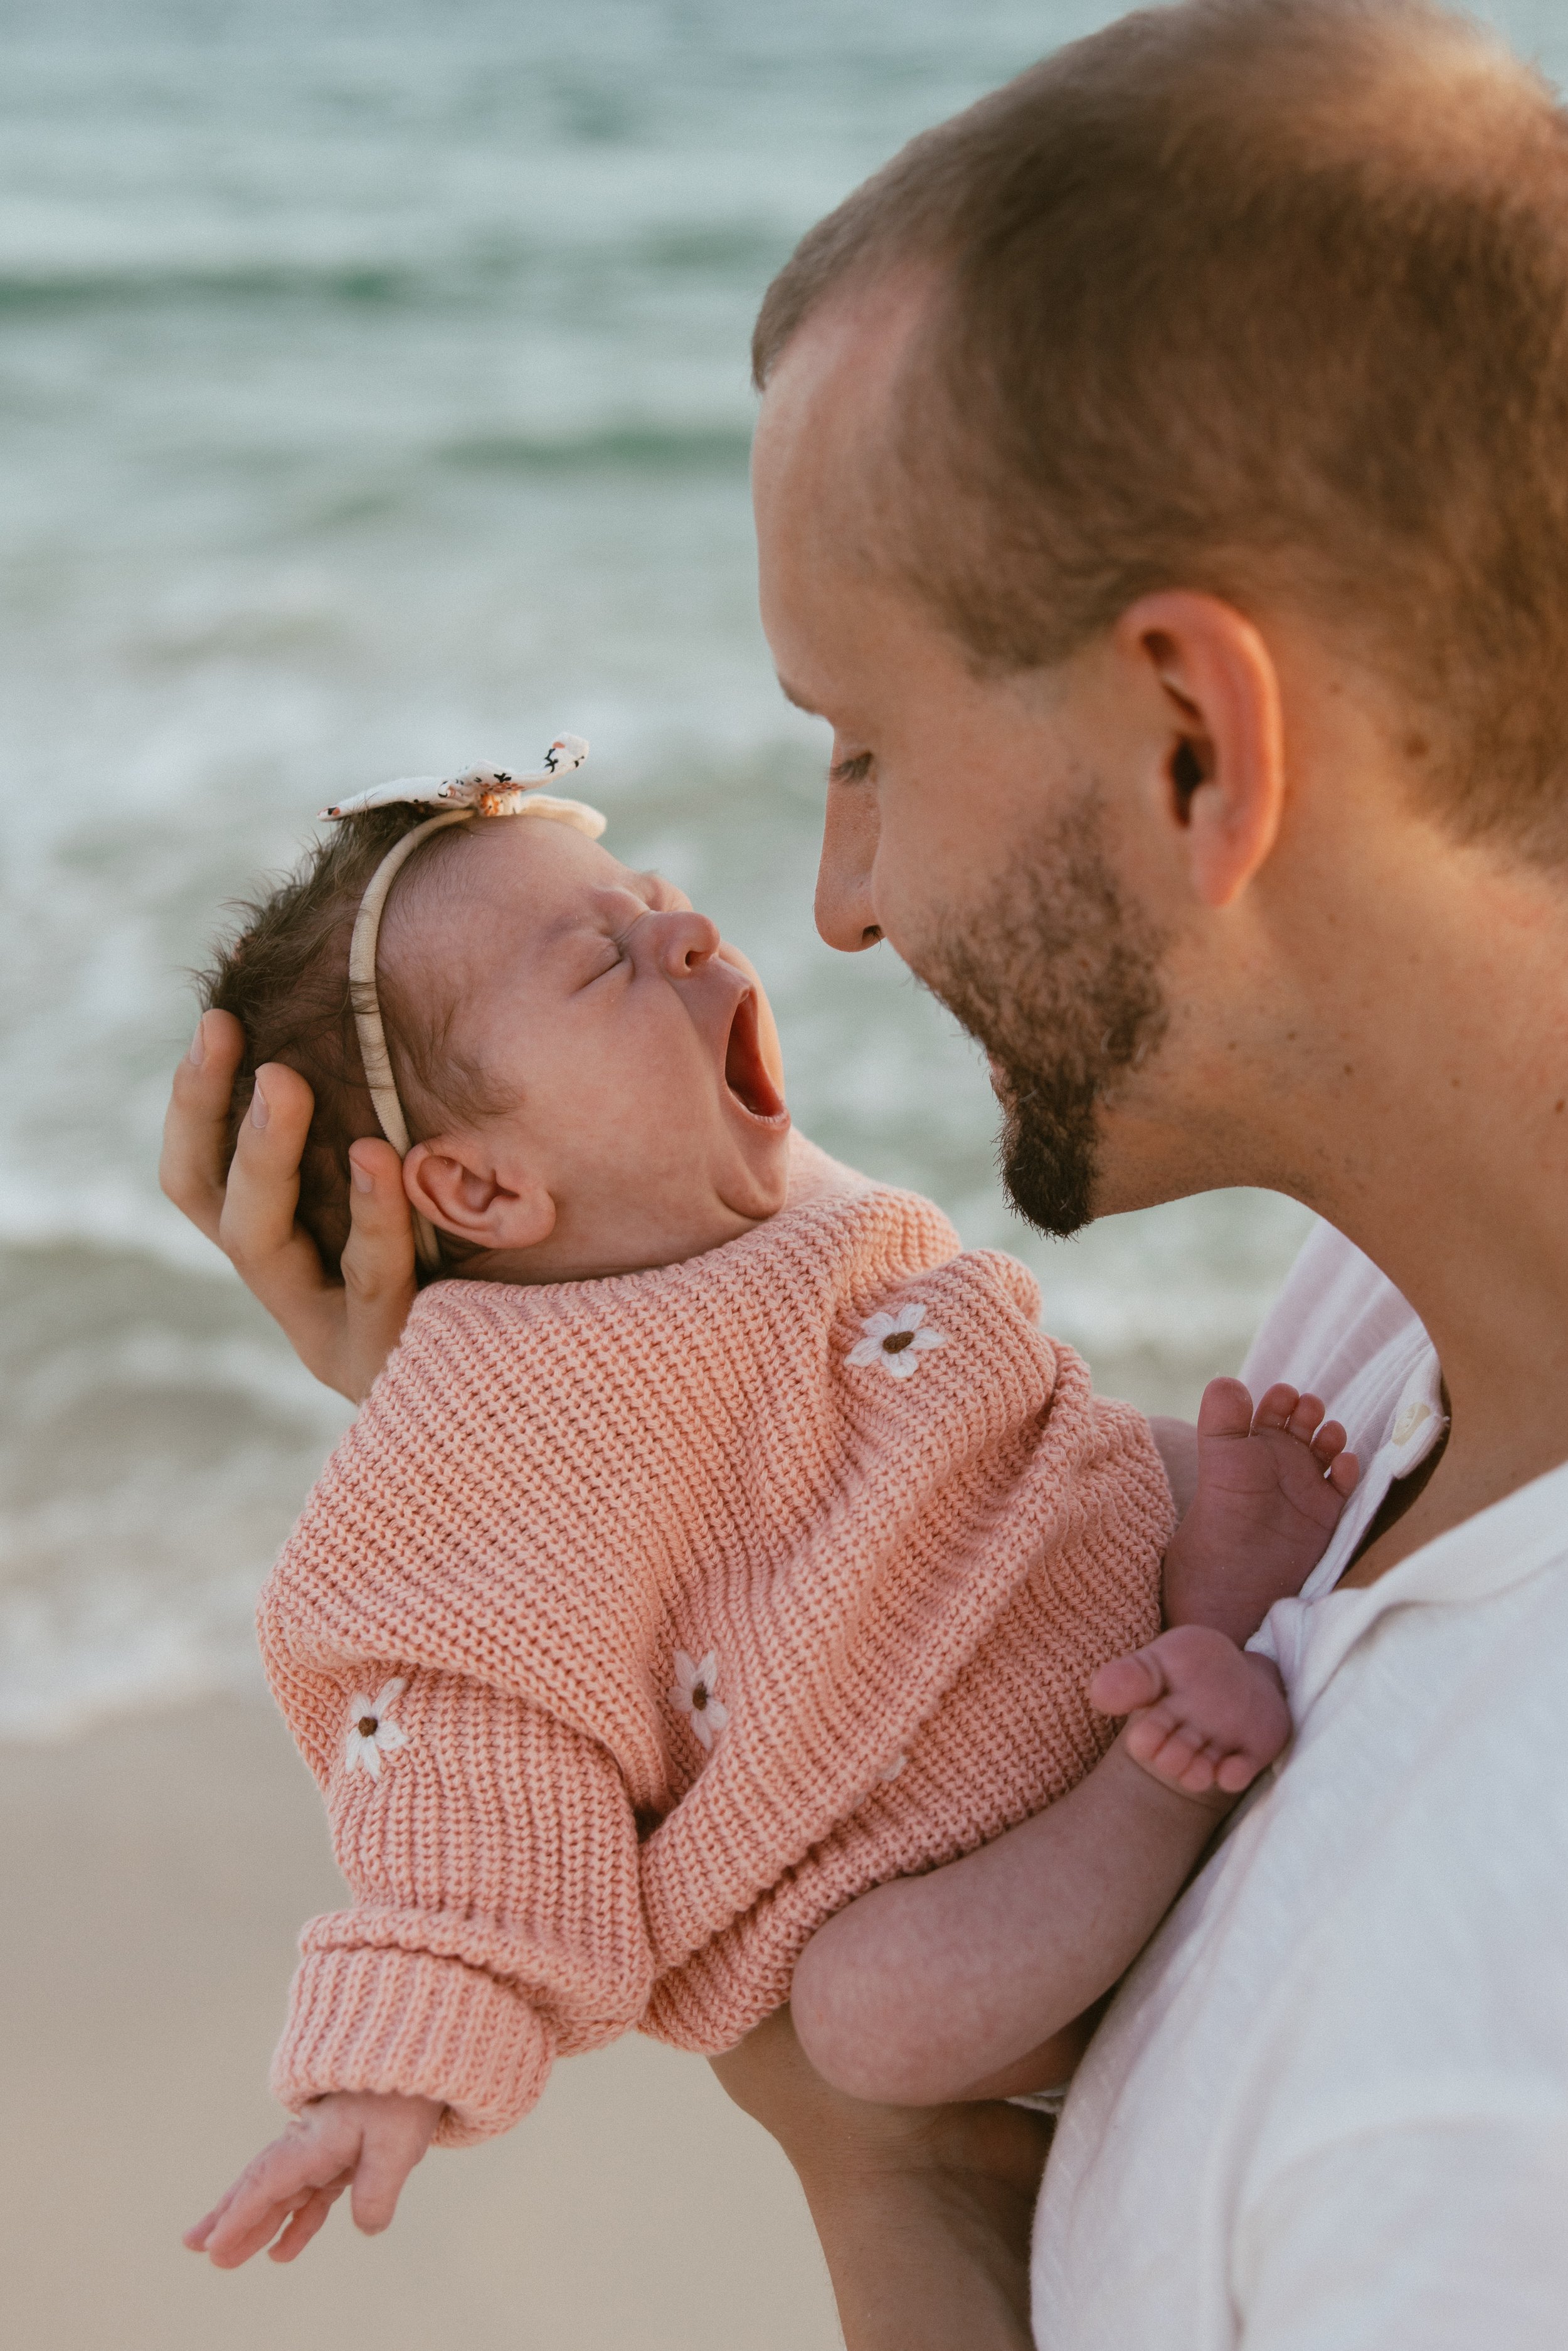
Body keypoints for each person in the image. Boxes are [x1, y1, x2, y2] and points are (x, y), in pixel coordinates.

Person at [161, 0, 1568, 2340]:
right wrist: (553, 1474)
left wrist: (854, 2130)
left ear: (1196, 741)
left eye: (865, 745)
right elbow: (834, 1538)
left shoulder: (1448, 2135)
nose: (836, 903)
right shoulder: (1399, 1309)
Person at [177, 755, 1353, 2269]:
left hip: (1079, 1563)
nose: (688, 936)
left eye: (665, 907)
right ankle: (1166, 1769)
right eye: (604, 959)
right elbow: (460, 1741)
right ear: (474, 1188)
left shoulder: (785, 1213)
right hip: (904, 1854)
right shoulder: (468, 1435)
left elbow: (983, 1394)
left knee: (1168, 1443)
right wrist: (389, 2062)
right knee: (869, 2021)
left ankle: (1204, 1617)